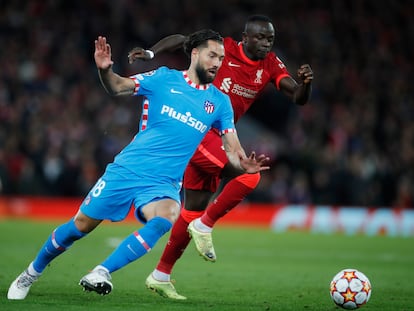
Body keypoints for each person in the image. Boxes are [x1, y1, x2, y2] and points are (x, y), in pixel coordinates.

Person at [7, 29, 270, 300]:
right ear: (195, 53)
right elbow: (118, 86)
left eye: (221, 58)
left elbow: (233, 148)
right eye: (212, 55)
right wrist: (105, 71)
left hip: (163, 184)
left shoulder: (219, 102)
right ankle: (31, 272)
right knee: (79, 227)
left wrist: (243, 166)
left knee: (167, 215)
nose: (217, 63)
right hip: (127, 170)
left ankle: (101, 272)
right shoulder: (163, 78)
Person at [127, 15, 314, 300]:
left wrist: (305, 84)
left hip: (223, 138)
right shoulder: (222, 48)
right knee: (250, 174)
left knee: (191, 210)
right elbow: (182, 40)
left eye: (270, 39)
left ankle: (161, 274)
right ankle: (206, 225)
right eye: (260, 38)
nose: (265, 44)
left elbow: (297, 97)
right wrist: (152, 52)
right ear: (245, 37)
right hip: (198, 131)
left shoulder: (271, 64)